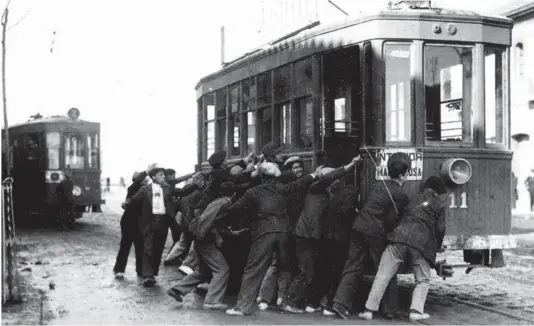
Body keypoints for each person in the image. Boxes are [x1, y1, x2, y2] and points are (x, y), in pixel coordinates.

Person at [225, 162, 323, 316]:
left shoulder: (253, 192)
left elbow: (235, 209)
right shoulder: (282, 188)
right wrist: (314, 174)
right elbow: (299, 183)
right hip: (284, 232)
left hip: (265, 233)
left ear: (262, 176)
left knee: (254, 269)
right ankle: (285, 301)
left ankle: (242, 307)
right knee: (285, 267)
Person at [331, 152, 412, 319]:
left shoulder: (380, 185)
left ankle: (340, 304)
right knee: (386, 269)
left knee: (352, 265)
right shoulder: (401, 194)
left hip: (358, 226)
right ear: (404, 174)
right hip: (375, 232)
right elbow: (390, 220)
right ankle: (390, 309)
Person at [359, 176, 449, 321]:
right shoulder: (439, 205)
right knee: (423, 280)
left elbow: (396, 216)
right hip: (421, 244)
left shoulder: (412, 198)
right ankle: (415, 311)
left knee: (382, 275)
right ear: (437, 193)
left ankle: (368, 311)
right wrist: (437, 245)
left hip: (398, 239)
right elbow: (440, 228)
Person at [283, 156, 361, 314]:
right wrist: (348, 167)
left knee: (312, 271)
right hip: (306, 235)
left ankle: (303, 301)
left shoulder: (323, 193)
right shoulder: (315, 188)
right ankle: (289, 302)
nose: (335, 182)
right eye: (332, 179)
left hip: (311, 236)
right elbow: (328, 178)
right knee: (306, 272)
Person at [167, 182, 247, 310]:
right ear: (234, 194)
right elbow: (214, 224)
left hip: (199, 240)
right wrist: (219, 238)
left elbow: (212, 222)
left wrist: (232, 233)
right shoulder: (226, 204)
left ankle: (177, 290)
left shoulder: (215, 202)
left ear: (221, 192)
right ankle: (212, 301)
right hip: (207, 241)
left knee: (202, 272)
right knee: (222, 270)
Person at [128, 167, 199, 287]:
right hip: (149, 222)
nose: (163, 177)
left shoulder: (167, 188)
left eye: (163, 175)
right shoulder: (145, 190)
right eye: (161, 175)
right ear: (154, 177)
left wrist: (195, 185)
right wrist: (126, 203)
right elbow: (133, 199)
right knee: (148, 248)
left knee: (158, 248)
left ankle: (153, 272)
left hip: (163, 221)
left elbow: (182, 192)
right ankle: (148, 275)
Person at [112, 171, 149, 279]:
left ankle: (140, 270)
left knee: (140, 247)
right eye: (144, 179)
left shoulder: (145, 190)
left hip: (139, 223)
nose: (147, 180)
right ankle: (119, 269)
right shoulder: (133, 188)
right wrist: (146, 171)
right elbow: (137, 181)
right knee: (126, 246)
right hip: (129, 222)